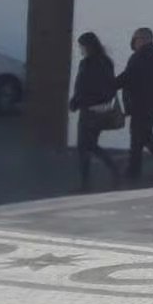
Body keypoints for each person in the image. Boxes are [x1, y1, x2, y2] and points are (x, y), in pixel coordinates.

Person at [115, 27, 153, 181]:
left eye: (135, 39)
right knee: (144, 135)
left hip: (140, 104)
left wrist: (109, 85)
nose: (134, 42)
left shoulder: (138, 57)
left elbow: (127, 77)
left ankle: (134, 171)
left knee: (138, 137)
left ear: (141, 39)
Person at [67, 32, 121, 190]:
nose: (80, 49)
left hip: (88, 109)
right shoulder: (106, 62)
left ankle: (85, 184)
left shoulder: (87, 63)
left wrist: (75, 102)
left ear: (87, 46)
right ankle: (113, 169)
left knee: (84, 147)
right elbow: (111, 85)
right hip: (102, 109)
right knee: (91, 144)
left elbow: (82, 86)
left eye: (81, 46)